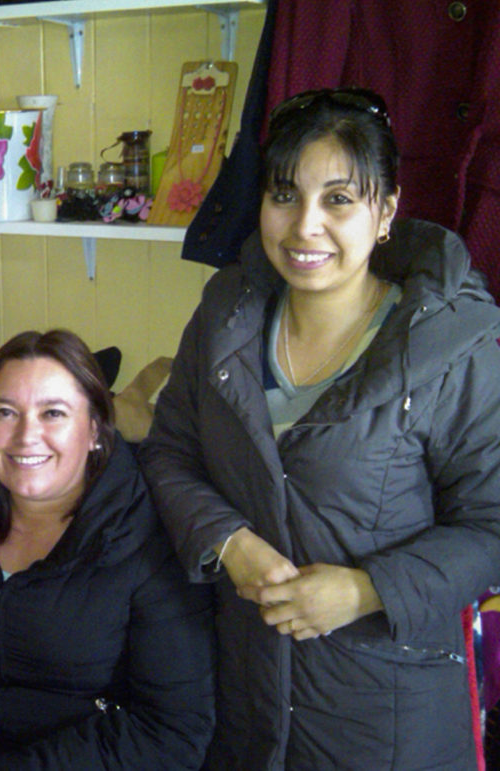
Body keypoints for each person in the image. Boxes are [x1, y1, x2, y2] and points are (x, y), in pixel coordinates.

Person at [139, 87, 500, 769]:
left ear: (386, 210)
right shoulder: (226, 315)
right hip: (243, 698)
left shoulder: (452, 343)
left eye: (338, 199)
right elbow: (169, 453)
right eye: (284, 195)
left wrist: (366, 590)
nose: (305, 225)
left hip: (387, 717)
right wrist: (228, 540)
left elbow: (492, 523)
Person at [0, 329, 216, 770]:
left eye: (53, 413)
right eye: (6, 412)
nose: (26, 435)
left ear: (94, 431)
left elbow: (171, 732)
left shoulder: (150, 533)